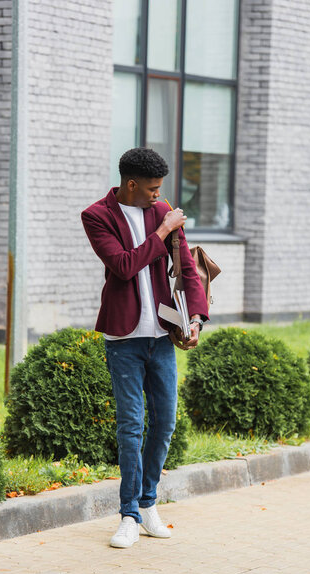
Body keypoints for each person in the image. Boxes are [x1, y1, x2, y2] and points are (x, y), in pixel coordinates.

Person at [81, 147, 208, 548]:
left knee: (165, 422)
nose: (159, 195)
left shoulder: (163, 210)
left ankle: (148, 502)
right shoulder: (97, 216)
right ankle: (128, 515)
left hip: (161, 336)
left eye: (161, 190)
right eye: (152, 189)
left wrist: (196, 318)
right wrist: (162, 232)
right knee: (131, 426)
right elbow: (122, 266)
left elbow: (187, 268)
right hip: (124, 338)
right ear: (130, 184)